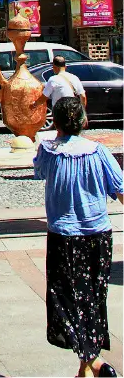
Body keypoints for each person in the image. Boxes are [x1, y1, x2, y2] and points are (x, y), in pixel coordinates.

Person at [34, 96, 122, 378]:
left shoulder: (49, 151)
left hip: (64, 236)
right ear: (84, 121)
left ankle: (93, 363)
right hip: (98, 236)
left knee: (64, 301)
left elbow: (39, 171)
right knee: (93, 299)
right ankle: (87, 367)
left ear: (55, 122)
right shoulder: (100, 152)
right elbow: (120, 190)